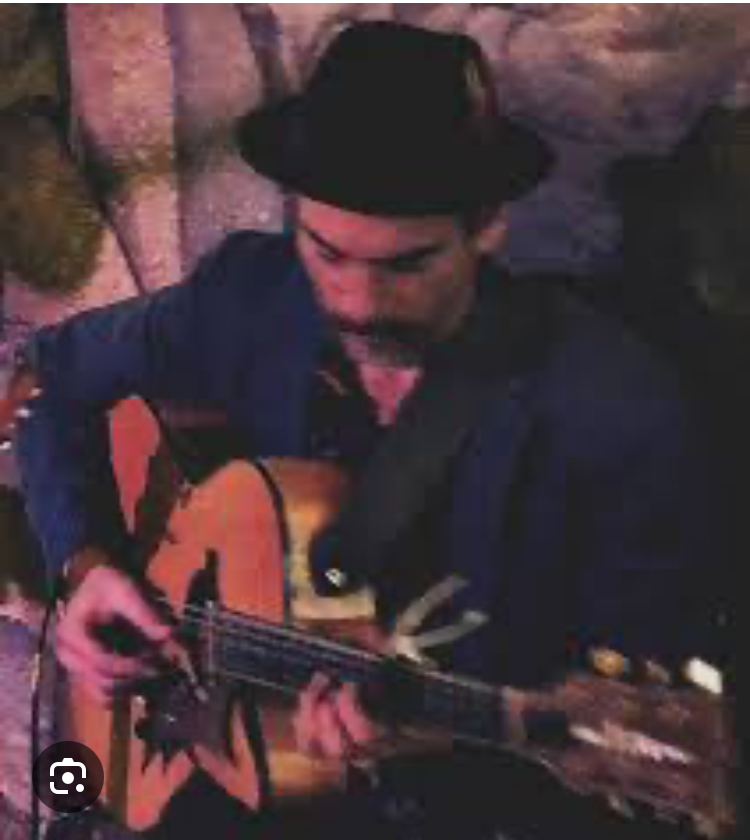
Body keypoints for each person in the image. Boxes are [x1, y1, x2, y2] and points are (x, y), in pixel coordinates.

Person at [15, 21, 728, 840]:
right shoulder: (253, 292)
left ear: (488, 224)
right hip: (223, 750)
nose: (357, 303)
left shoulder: (617, 414)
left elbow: (632, 690)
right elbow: (52, 377)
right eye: (327, 251)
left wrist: (430, 735)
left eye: (407, 264)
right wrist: (86, 561)